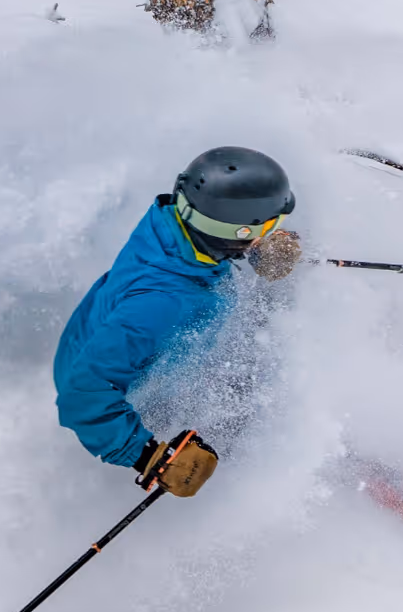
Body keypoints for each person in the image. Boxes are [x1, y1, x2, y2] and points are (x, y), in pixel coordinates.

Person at [53, 146, 303, 497]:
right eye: (271, 226)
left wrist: (250, 248)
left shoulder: (174, 224)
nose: (277, 231)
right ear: (241, 230)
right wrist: (148, 457)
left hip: (136, 342)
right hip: (133, 390)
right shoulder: (160, 305)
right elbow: (82, 395)